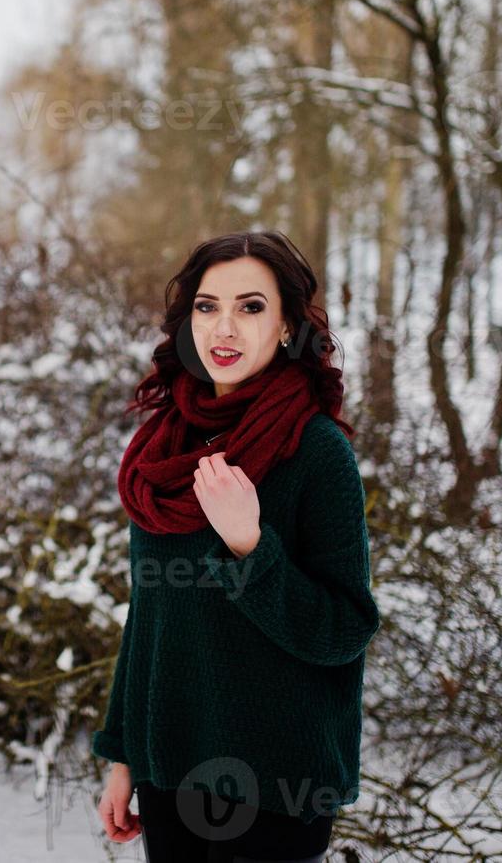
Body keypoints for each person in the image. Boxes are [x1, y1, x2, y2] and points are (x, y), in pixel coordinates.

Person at [93, 230, 381, 862]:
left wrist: (250, 546)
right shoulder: (164, 446)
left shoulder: (316, 451)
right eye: (207, 306)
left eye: (251, 307)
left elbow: (344, 629)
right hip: (170, 769)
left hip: (278, 785)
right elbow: (150, 618)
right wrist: (122, 753)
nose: (224, 327)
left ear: (285, 327)